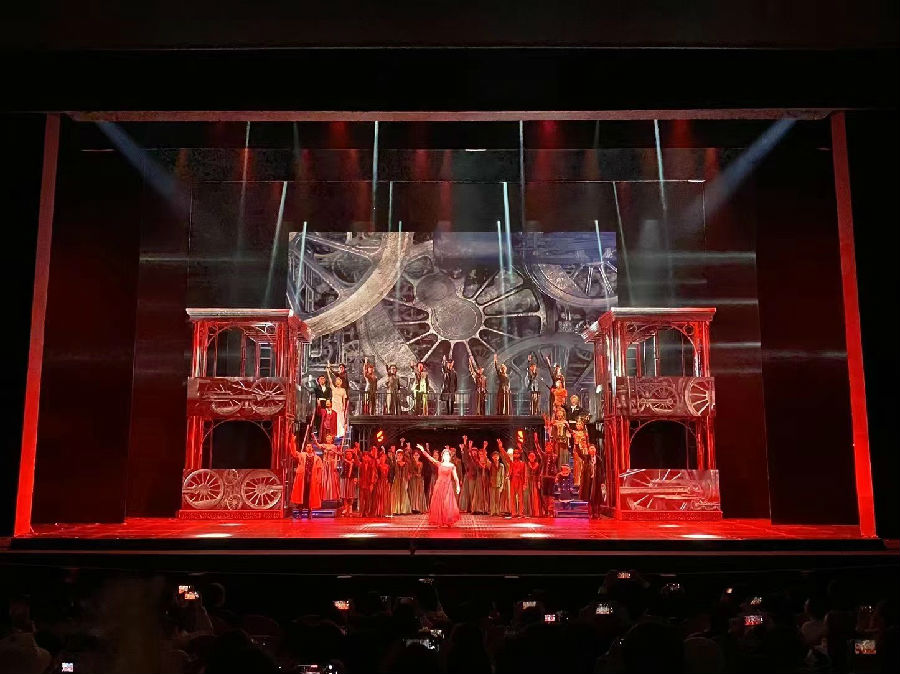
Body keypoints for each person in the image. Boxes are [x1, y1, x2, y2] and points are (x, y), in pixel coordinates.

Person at [418, 444, 461, 526]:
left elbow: (456, 477)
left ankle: (448, 520)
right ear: (442, 456)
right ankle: (440, 520)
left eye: (447, 455)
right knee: (439, 502)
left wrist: (458, 486)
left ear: (450, 456)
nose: (446, 456)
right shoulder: (439, 464)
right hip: (439, 485)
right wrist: (423, 450)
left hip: (448, 486)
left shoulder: (452, 466)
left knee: (447, 503)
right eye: (445, 455)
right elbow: (430, 458)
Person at [290, 443, 323, 518]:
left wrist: (318, 478)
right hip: (302, 478)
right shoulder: (302, 455)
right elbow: (294, 453)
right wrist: (292, 442)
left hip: (312, 479)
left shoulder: (317, 458)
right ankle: (300, 512)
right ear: (305, 448)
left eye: (310, 446)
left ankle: (309, 512)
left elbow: (320, 469)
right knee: (302, 495)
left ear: (312, 448)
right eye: (307, 446)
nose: (309, 448)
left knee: (310, 495)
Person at [574, 443, 605, 518]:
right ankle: (591, 514)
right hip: (588, 481)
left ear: (595, 450)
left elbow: (602, 471)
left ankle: (597, 513)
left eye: (593, 448)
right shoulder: (586, 458)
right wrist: (577, 445)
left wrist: (602, 481)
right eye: (591, 448)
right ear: (588, 450)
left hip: (596, 481)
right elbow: (580, 454)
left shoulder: (599, 459)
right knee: (589, 497)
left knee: (596, 498)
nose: (592, 450)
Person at [326, 364, 348, 439]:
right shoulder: (333, 388)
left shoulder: (343, 390)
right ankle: (334, 433)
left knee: (340, 419)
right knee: (334, 419)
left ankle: (340, 433)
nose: (338, 383)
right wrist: (328, 372)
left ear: (341, 383)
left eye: (339, 382)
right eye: (337, 382)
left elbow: (344, 399)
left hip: (340, 405)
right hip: (334, 406)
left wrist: (344, 406)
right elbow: (330, 381)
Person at [317, 434, 341, 502]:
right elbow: (318, 445)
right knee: (324, 478)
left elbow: (336, 455)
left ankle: (331, 495)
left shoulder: (334, 446)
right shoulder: (324, 445)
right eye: (327, 438)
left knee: (331, 479)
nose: (328, 439)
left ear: (332, 439)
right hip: (325, 463)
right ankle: (324, 495)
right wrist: (314, 439)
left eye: (330, 438)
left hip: (331, 463)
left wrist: (335, 464)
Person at [525, 435, 545, 517]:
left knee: (536, 497)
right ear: (528, 457)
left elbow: (540, 473)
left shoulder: (537, 464)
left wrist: (539, 482)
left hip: (535, 482)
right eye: (530, 456)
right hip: (529, 482)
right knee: (529, 497)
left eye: (533, 456)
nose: (532, 457)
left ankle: (536, 512)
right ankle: (530, 512)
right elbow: (525, 474)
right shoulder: (527, 464)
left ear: (535, 457)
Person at [340, 445, 360, 516]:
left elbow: (356, 469)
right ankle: (345, 507)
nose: (348, 455)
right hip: (344, 478)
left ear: (352, 455)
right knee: (344, 494)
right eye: (347, 454)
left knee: (350, 494)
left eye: (349, 454)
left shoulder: (354, 462)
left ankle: (350, 507)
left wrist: (355, 478)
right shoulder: (344, 461)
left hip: (351, 479)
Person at [390, 449, 411, 515]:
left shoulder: (406, 464)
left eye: (400, 455)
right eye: (398, 455)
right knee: (396, 495)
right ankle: (396, 510)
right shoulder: (394, 463)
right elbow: (392, 473)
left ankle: (403, 510)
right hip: (396, 481)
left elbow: (407, 473)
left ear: (402, 456)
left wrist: (407, 480)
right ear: (396, 456)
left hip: (404, 481)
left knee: (404, 494)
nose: (399, 456)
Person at [359, 446, 379, 517]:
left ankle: (366, 512)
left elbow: (373, 474)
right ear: (363, 457)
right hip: (362, 484)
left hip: (368, 484)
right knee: (361, 499)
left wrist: (372, 483)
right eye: (364, 456)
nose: (366, 458)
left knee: (368, 499)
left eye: (367, 456)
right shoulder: (361, 465)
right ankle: (361, 512)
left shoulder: (371, 465)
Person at [488, 449, 507, 516]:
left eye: (497, 456)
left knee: (498, 499)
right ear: (492, 457)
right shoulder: (490, 465)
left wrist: (502, 485)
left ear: (499, 457)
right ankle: (493, 511)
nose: (496, 457)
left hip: (499, 484)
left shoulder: (501, 466)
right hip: (492, 483)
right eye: (494, 456)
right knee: (492, 499)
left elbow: (502, 476)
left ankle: (498, 511)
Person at [570, 418, 589, 489]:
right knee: (577, 465)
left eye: (580, 424)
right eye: (577, 424)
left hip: (584, 449)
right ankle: (577, 481)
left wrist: (588, 449)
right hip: (577, 450)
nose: (578, 425)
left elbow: (587, 442)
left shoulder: (585, 433)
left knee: (584, 465)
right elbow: (569, 430)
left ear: (582, 425)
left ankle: (584, 480)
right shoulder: (574, 432)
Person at [408, 449, 426, 513]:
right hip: (413, 479)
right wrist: (414, 474)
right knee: (414, 493)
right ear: (413, 456)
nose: (416, 456)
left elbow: (421, 471)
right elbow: (410, 471)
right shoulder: (411, 463)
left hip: (419, 479)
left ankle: (418, 508)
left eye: (417, 455)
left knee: (419, 493)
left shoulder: (421, 463)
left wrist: (419, 475)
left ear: (419, 456)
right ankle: (413, 508)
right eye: (415, 455)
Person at [375, 450, 392, 516]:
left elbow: (389, 475)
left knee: (385, 497)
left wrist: (389, 482)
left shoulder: (388, 466)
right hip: (380, 483)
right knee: (380, 496)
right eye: (381, 457)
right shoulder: (378, 466)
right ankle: (379, 512)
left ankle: (385, 512)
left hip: (386, 483)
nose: (382, 458)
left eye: (384, 457)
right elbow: (376, 474)